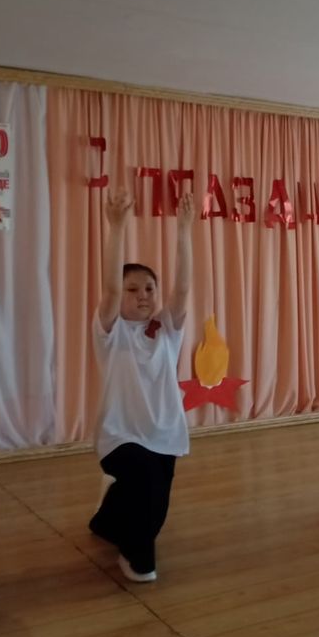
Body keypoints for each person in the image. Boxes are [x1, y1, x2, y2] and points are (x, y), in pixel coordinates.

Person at [88, 189, 194, 582]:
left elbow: (182, 290)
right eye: (133, 290)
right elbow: (111, 290)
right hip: (120, 434)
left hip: (163, 433)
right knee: (146, 495)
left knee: (155, 504)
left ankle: (106, 520)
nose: (143, 296)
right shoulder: (110, 330)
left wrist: (184, 230)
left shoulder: (166, 329)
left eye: (149, 288)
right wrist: (116, 226)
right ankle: (136, 558)